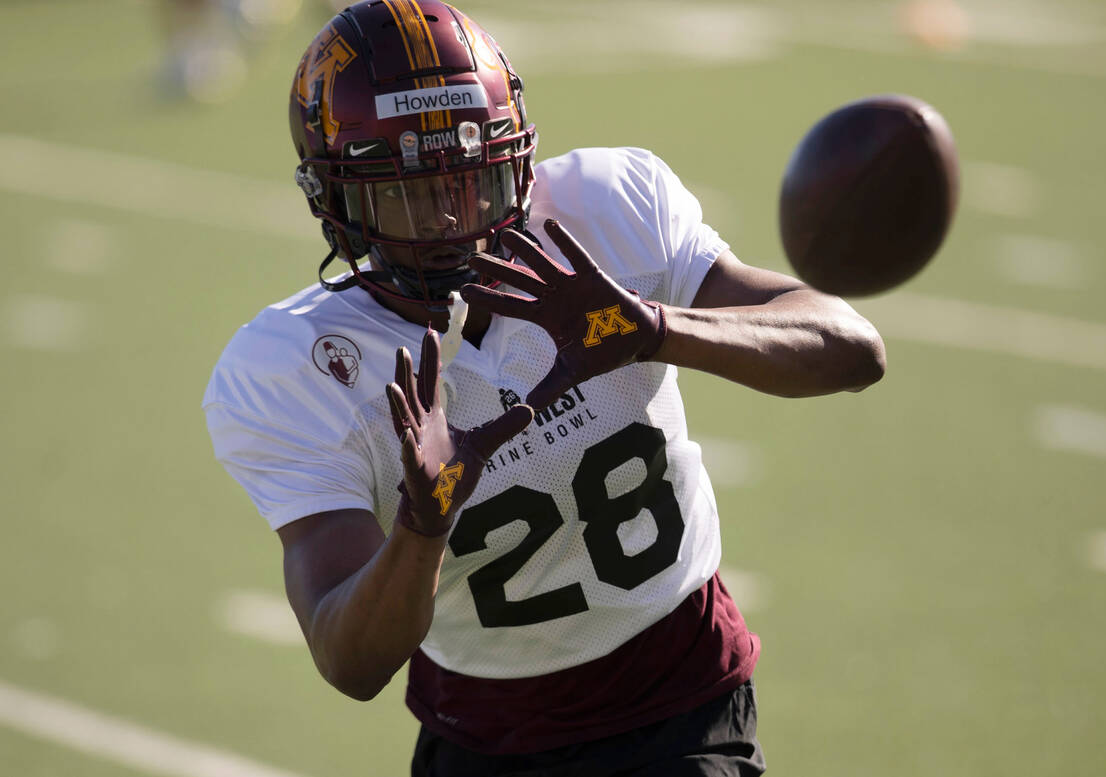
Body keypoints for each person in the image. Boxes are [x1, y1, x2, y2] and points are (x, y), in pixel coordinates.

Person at [203, 1, 886, 774]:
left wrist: (656, 329)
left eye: (472, 173)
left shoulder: (604, 213)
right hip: (482, 737)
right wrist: (421, 527)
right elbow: (348, 659)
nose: (450, 215)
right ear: (337, 202)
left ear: (516, 156)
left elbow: (853, 348)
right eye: (408, 190)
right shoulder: (298, 366)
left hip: (682, 703)